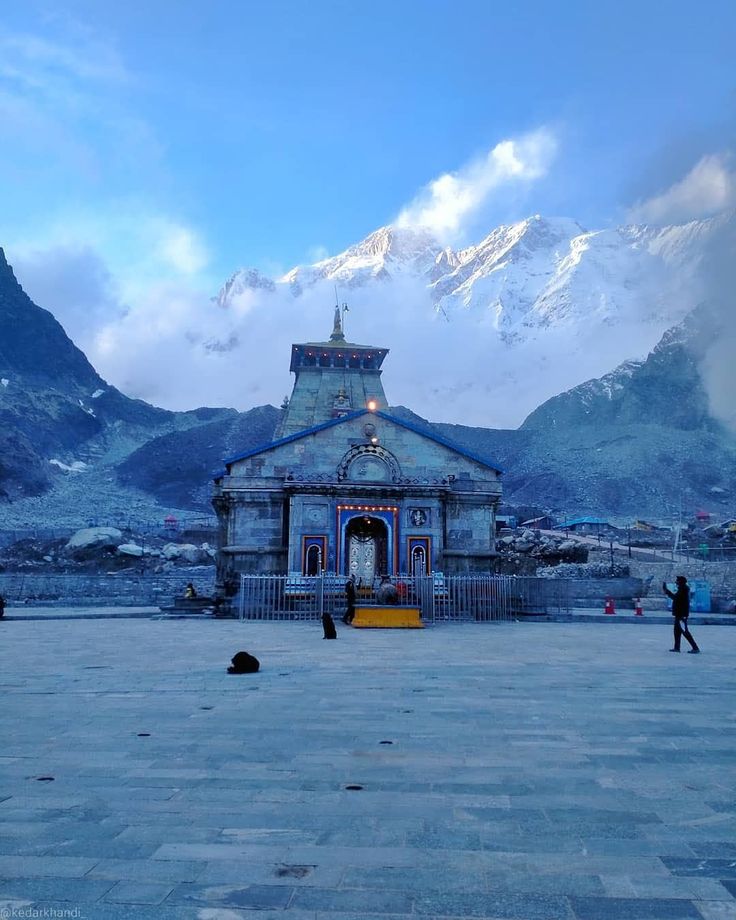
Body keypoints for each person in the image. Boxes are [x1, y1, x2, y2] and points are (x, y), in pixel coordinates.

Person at [663, 575, 700, 653]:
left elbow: (676, 598)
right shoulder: (682, 589)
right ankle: (677, 647)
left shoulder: (683, 590)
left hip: (681, 615)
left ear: (680, 582)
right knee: (677, 632)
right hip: (679, 614)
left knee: (685, 632)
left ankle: (695, 648)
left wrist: (667, 592)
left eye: (677, 581)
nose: (676, 582)